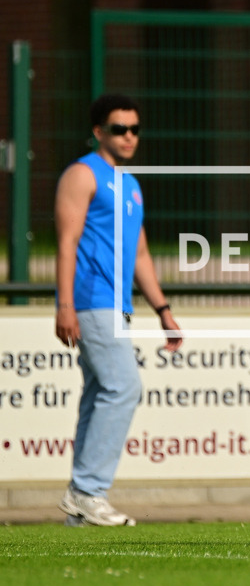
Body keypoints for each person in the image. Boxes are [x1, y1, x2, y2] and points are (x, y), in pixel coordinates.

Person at [54, 93, 183, 526]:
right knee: (124, 387)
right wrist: (65, 305)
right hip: (90, 301)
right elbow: (66, 241)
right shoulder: (82, 174)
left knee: (98, 396)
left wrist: (163, 310)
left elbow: (141, 253)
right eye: (119, 129)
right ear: (98, 133)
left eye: (134, 129)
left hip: (118, 305)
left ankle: (81, 506)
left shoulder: (129, 184)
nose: (129, 137)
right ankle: (89, 491)